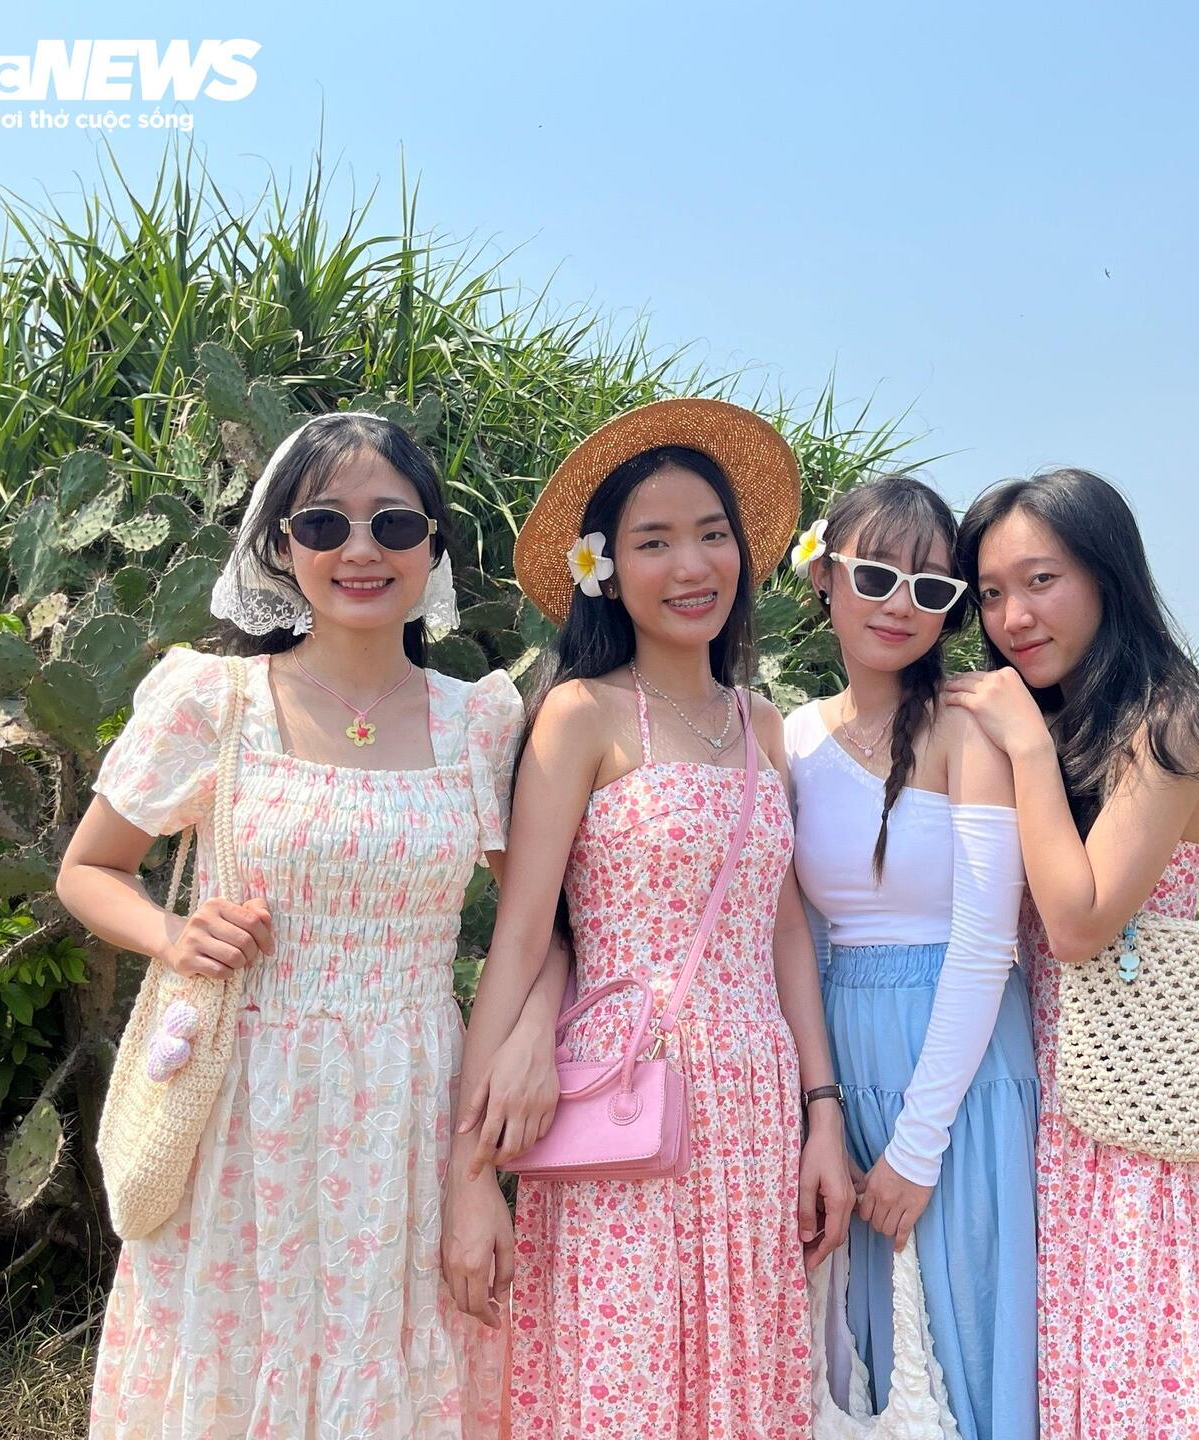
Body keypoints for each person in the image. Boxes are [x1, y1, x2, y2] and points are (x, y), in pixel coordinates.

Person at [59, 412, 565, 1439]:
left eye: (394, 523)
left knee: (393, 1360)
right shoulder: (212, 698)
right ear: (282, 545)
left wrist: (519, 1078)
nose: (361, 550)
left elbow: (542, 929)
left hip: (412, 1107)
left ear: (433, 546)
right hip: (245, 1106)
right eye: (325, 523)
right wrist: (169, 935)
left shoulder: (483, 720)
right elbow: (89, 870)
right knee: (240, 1362)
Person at [443, 398, 857, 1439]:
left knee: (742, 1385)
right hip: (621, 1096)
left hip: (754, 1105)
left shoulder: (760, 721)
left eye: (713, 534)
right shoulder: (580, 715)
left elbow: (785, 932)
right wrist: (469, 1175)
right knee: (620, 1383)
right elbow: (525, 936)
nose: (691, 566)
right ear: (606, 569)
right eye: (655, 541)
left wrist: (822, 1112)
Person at [945, 469, 1199, 1440]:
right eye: (993, 592)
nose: (1013, 615)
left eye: (1040, 580)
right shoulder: (1070, 718)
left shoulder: (1169, 726)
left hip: (1142, 1131)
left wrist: (1026, 751)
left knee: (1138, 1385)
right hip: (1060, 1113)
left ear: (1107, 576)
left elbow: (1080, 922)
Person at [785, 473, 1039, 1439]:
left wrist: (921, 1143)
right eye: (878, 576)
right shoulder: (793, 736)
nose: (901, 606)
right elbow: (798, 931)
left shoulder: (967, 726)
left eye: (933, 590)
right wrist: (818, 1110)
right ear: (823, 574)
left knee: (966, 1340)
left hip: (960, 1062)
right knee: (869, 1359)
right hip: (847, 1054)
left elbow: (986, 940)